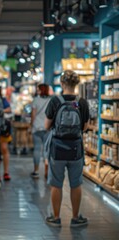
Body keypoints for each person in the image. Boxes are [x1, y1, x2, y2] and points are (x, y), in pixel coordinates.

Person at [44, 70, 89, 228]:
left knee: (56, 183)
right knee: (75, 184)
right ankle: (76, 218)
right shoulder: (82, 102)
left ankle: (56, 217)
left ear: (62, 84)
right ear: (76, 84)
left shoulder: (55, 101)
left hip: (57, 148)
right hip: (76, 149)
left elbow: (46, 125)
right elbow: (85, 127)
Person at [30, 83, 51, 179]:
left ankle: (36, 171)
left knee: (37, 149)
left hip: (37, 127)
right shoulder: (51, 100)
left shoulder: (35, 100)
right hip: (47, 128)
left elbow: (33, 115)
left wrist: (31, 126)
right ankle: (47, 171)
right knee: (46, 150)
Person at [0, 85, 12, 181]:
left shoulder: (1, 100)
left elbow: (9, 109)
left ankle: (5, 172)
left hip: (1, 128)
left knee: (3, 149)